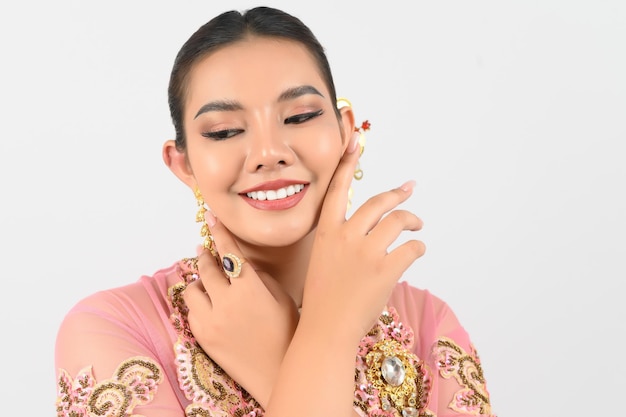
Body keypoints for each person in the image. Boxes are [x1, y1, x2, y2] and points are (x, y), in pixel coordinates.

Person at [54, 6, 495, 417]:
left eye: (300, 117)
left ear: (345, 133)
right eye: (225, 131)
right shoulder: (114, 328)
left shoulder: (428, 325)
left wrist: (310, 343)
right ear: (184, 164)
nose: (269, 153)